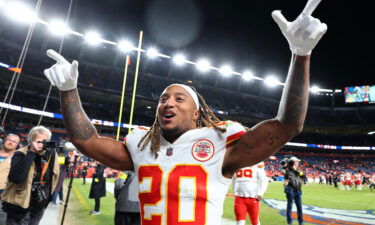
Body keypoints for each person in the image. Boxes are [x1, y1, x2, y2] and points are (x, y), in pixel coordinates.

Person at [42, 0, 327, 223]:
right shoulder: (141, 145)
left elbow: (287, 126)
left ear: (196, 113)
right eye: (164, 98)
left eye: (179, 98)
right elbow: (86, 141)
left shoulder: (220, 143)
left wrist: (300, 55)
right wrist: (68, 90)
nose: (168, 102)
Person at [1, 126, 59, 225]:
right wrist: (32, 152)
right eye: (38, 141)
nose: (41, 144)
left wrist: (46, 200)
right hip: (19, 206)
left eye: (44, 141)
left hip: (38, 206)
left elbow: (54, 177)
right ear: (30, 141)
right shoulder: (20, 154)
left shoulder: (51, 155)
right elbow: (16, 178)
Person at [0, 134, 21, 225]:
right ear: (4, 140)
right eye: (9, 140)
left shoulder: (19, 157)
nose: (11, 142)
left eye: (14, 141)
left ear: (17, 145)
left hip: (4, 194)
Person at [283, 156, 304, 225]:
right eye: (297, 161)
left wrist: (296, 170)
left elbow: (302, 175)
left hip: (298, 190)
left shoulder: (297, 170)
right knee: (290, 205)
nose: (298, 162)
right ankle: (289, 222)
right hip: (290, 189)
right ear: (293, 162)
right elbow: (282, 164)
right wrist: (287, 163)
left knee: (299, 206)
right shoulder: (287, 169)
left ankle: (300, 222)